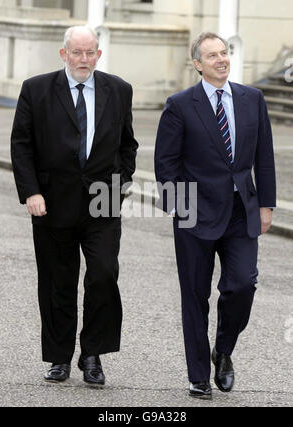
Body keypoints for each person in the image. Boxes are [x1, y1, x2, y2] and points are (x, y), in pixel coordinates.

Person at [11, 25, 138, 386]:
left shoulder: (119, 90)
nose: (84, 59)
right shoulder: (36, 89)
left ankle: (93, 353)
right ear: (63, 53)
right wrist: (31, 191)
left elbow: (127, 145)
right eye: (77, 52)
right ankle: (59, 357)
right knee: (57, 282)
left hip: (102, 203)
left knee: (102, 274)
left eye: (90, 52)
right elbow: (21, 144)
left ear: (99, 54)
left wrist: (119, 186)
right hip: (51, 203)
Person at [154, 32, 276, 400]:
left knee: (242, 284)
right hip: (195, 211)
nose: (221, 59)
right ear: (197, 64)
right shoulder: (180, 105)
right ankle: (197, 376)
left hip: (242, 211)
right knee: (194, 295)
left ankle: (223, 351)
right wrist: (178, 207)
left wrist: (267, 204)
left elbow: (265, 157)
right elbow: (166, 162)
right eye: (212, 55)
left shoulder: (252, 99)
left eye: (224, 53)